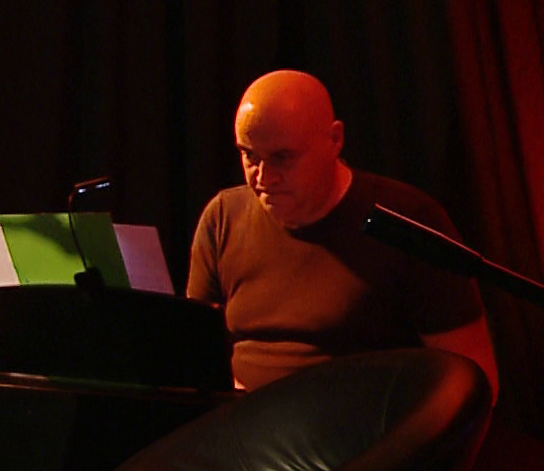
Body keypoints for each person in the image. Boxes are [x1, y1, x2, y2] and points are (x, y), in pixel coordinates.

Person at [187, 69, 498, 397]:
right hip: (243, 419)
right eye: (250, 156)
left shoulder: (410, 223)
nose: (264, 177)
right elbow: (194, 355)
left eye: (283, 158)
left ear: (335, 140)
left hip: (359, 424)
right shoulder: (223, 217)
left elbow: (476, 384)